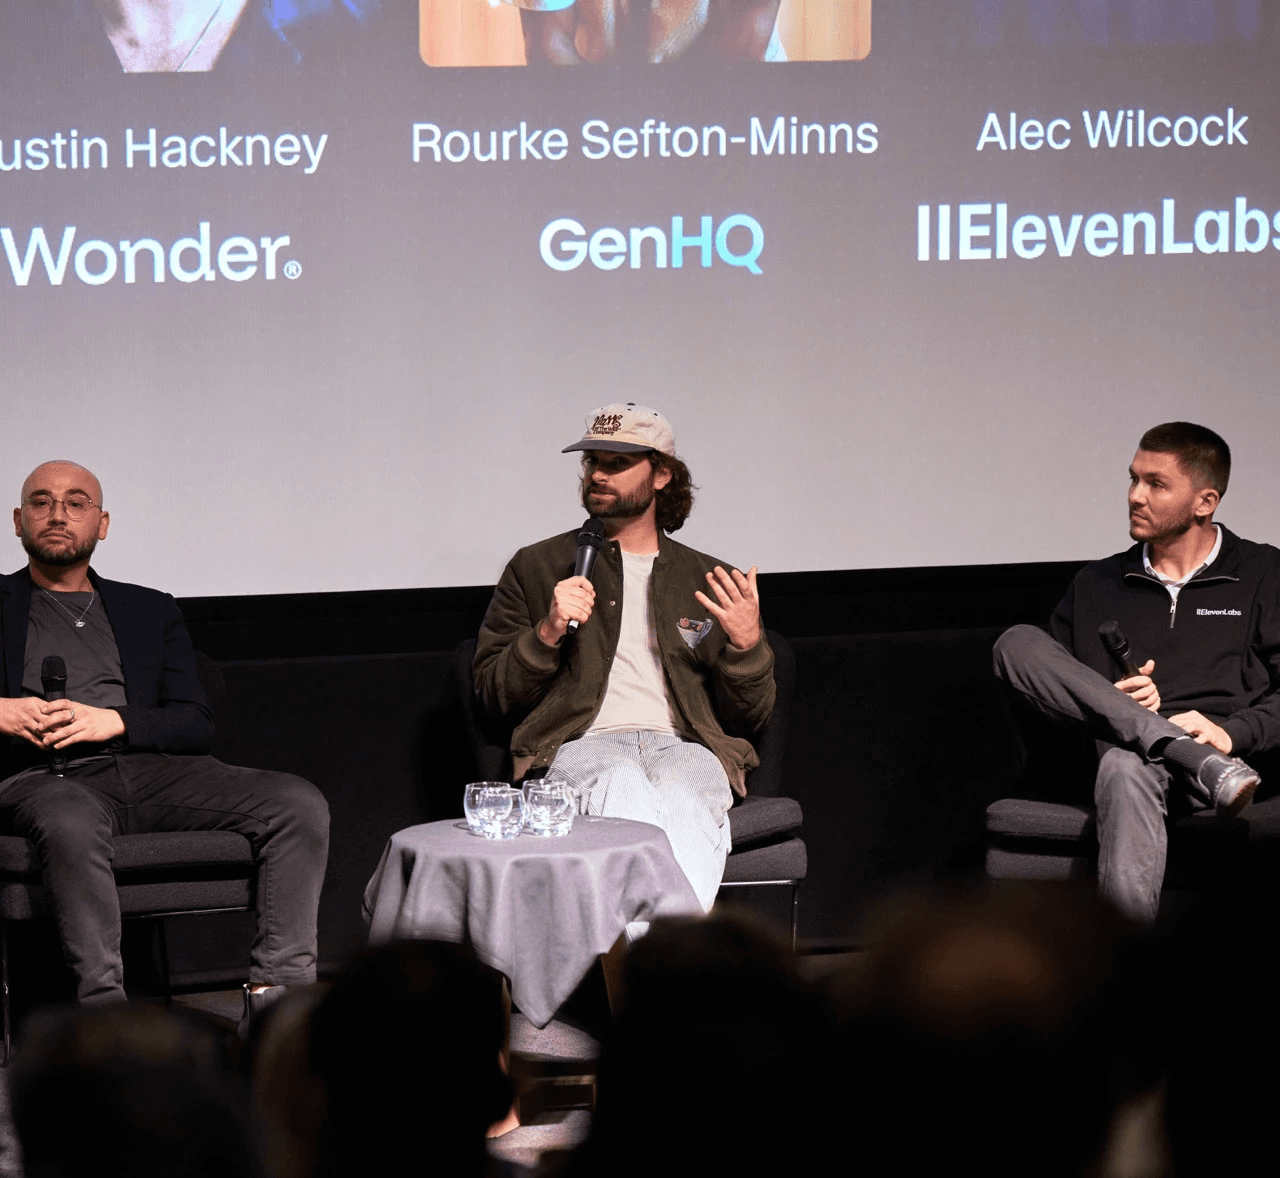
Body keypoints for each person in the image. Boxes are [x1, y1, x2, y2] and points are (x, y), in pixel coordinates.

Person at [0, 460, 329, 1021]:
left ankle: (281, 1006)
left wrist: (117, 721)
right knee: (71, 818)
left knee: (296, 803)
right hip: (42, 776)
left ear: (102, 524)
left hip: (150, 771)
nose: (58, 514)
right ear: (17, 521)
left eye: (76, 503)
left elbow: (195, 719)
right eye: (41, 502)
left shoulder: (148, 608)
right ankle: (107, 1020)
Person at [473, 403, 775, 912]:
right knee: (622, 784)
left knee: (682, 795)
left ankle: (643, 971)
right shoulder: (536, 566)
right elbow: (491, 695)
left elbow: (750, 717)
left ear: (661, 475)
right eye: (593, 462)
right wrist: (546, 633)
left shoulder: (709, 579)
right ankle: (671, 967)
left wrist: (747, 648)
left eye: (616, 464)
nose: (598, 475)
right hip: (581, 744)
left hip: (684, 747)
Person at [993, 422, 1278, 923]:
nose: (1134, 496)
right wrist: (1114, 698)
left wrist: (1230, 734)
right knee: (1016, 642)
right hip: (1119, 753)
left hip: (1217, 759)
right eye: (1133, 479)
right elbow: (1057, 704)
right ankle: (1170, 744)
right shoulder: (1096, 582)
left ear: (1205, 502)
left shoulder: (1264, 575)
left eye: (1155, 484)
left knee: (1126, 766)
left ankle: (1124, 974)